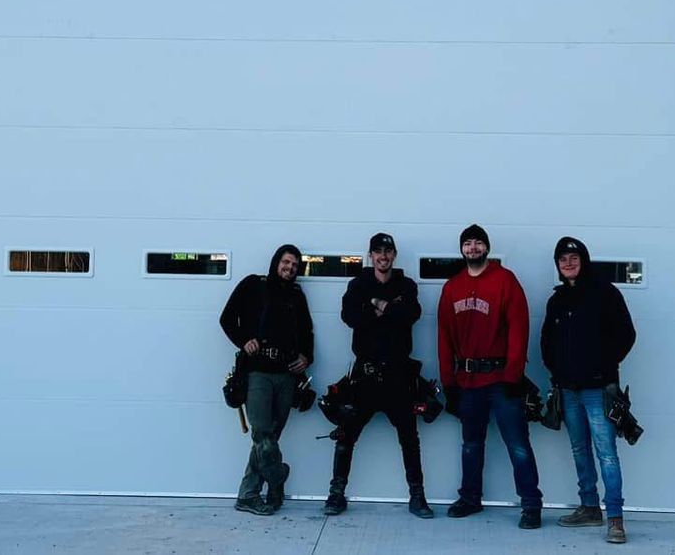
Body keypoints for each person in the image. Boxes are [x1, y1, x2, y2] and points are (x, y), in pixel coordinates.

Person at [437, 223, 542, 528]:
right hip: (468, 382)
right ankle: (470, 498)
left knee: (518, 444)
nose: (472, 248)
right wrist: (449, 382)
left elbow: (519, 329)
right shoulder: (452, 287)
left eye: (478, 243)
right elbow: (444, 337)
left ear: (487, 247)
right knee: (470, 445)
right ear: (461, 249)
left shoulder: (505, 281)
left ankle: (531, 504)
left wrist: (513, 374)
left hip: (501, 380)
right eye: (467, 243)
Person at [326, 232, 434, 519]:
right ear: (370, 255)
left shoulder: (407, 285)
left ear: (394, 255)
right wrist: (386, 307)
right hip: (365, 375)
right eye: (378, 252)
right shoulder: (358, 284)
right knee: (347, 435)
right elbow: (350, 317)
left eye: (388, 251)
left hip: (398, 376)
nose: (383, 256)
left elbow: (410, 314)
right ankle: (336, 494)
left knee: (410, 438)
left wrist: (376, 306)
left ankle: (418, 496)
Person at [541, 235, 637, 545]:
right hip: (568, 390)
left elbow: (626, 334)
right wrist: (557, 371)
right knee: (579, 449)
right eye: (562, 259)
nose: (568, 263)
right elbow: (546, 343)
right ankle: (589, 508)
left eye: (573, 257)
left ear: (583, 260)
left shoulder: (605, 293)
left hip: (598, 389)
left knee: (606, 453)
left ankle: (616, 520)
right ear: (558, 266)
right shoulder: (556, 300)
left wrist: (602, 366)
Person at [219, 244, 314, 516]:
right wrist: (243, 340)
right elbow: (226, 319)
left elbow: (307, 331)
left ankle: (249, 495)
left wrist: (307, 357)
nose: (290, 268)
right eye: (286, 262)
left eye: (295, 265)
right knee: (262, 433)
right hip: (257, 372)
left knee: (269, 437)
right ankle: (276, 479)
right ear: (276, 262)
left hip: (286, 374)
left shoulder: (297, 295)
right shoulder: (253, 285)